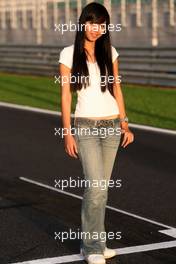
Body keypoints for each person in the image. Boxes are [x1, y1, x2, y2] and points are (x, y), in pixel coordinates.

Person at [59, 2, 134, 264]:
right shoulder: (68, 54)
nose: (96, 29)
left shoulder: (110, 52)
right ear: (83, 23)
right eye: (92, 23)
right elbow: (66, 96)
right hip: (86, 127)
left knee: (102, 189)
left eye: (101, 24)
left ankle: (96, 245)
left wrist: (124, 123)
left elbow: (117, 90)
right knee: (95, 187)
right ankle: (91, 248)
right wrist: (67, 133)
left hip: (112, 126)